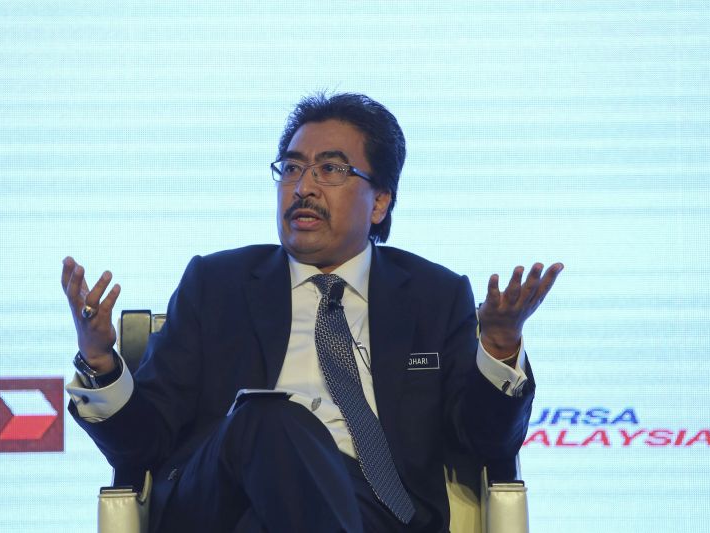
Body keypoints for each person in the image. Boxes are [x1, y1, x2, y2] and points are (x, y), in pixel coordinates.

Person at [62, 93, 563, 533]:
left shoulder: (433, 295)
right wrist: (100, 362)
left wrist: (499, 347)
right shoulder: (216, 285)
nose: (304, 187)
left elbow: (484, 441)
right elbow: (143, 445)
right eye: (293, 167)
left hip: (374, 511)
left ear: (380, 202)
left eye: (331, 169)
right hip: (218, 504)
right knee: (268, 417)